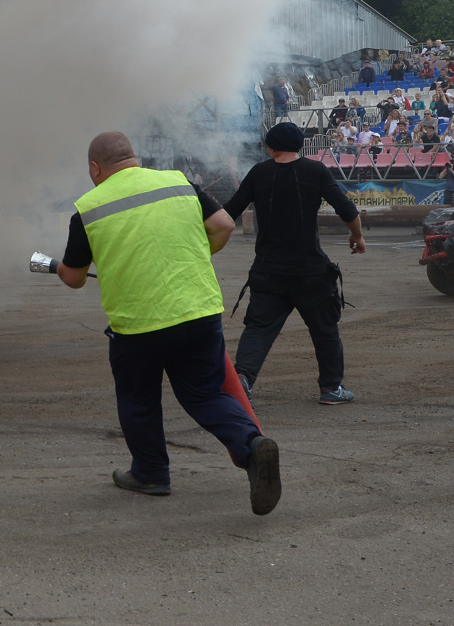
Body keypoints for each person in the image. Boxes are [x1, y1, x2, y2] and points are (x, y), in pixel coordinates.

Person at [44, 131, 280, 514]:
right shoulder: (178, 182)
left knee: (138, 400)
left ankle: (152, 473)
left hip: (139, 325)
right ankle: (252, 445)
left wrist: (57, 267)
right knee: (205, 394)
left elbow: (73, 277)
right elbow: (224, 225)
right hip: (199, 311)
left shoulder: (89, 208)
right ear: (133, 157)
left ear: (94, 168)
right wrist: (192, 256)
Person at [224, 123, 365, 406]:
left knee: (258, 328)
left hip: (268, 269)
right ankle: (331, 389)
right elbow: (347, 209)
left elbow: (228, 215)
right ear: (299, 146)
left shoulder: (259, 173)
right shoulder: (315, 171)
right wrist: (357, 236)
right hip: (310, 270)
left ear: (272, 147)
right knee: (325, 330)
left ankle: (242, 380)